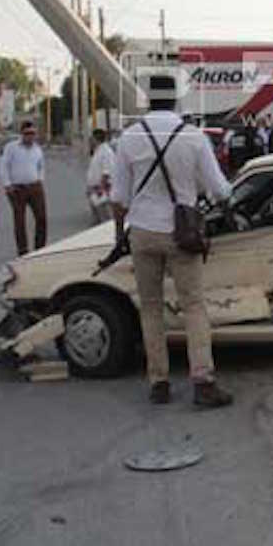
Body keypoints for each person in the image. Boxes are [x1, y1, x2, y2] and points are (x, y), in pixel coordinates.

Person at [111, 75, 233, 408]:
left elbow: (118, 197)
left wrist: (118, 235)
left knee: (150, 308)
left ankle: (159, 382)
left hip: (142, 232)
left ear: (147, 100)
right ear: (176, 100)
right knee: (193, 305)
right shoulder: (192, 137)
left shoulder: (129, 138)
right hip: (183, 233)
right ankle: (203, 382)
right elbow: (220, 190)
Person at [0, 120, 47, 255]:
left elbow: (41, 166)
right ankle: (23, 250)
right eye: (27, 133)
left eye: (33, 133)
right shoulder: (11, 148)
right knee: (19, 220)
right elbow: (4, 166)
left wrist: (40, 179)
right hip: (17, 189)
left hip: (35, 187)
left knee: (41, 218)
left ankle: (40, 248)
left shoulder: (37, 149)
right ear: (22, 133)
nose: (30, 136)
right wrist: (7, 184)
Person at [86, 128, 116, 223]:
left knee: (104, 220)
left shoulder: (106, 152)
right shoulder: (98, 151)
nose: (90, 141)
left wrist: (101, 189)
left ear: (96, 139)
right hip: (95, 191)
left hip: (101, 191)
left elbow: (106, 172)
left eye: (91, 138)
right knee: (97, 219)